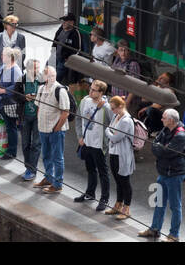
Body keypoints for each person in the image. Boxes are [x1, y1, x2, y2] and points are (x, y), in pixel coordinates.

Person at [140, 109, 185, 240]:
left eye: (163, 118)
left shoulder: (180, 136)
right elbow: (154, 146)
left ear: (171, 120)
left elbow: (166, 152)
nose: (161, 120)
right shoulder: (166, 129)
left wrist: (160, 148)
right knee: (159, 202)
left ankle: (174, 235)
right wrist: (161, 148)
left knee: (175, 205)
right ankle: (155, 228)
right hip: (163, 172)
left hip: (174, 174)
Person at [74, 79, 113, 211]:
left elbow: (113, 123)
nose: (90, 91)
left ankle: (104, 198)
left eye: (93, 90)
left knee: (103, 171)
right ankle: (90, 192)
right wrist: (80, 136)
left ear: (101, 92)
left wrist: (107, 141)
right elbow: (78, 118)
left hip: (99, 144)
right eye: (90, 89)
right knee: (90, 168)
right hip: (86, 141)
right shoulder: (85, 101)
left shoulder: (107, 107)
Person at [33, 65, 72, 194]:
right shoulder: (41, 88)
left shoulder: (60, 90)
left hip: (55, 130)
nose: (51, 78)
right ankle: (49, 178)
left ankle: (58, 183)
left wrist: (57, 128)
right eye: (49, 76)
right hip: (43, 128)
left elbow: (65, 112)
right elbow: (39, 106)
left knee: (57, 157)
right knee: (46, 155)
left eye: (53, 76)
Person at [0, 48, 24, 161]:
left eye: (3, 55)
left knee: (11, 127)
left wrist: (2, 91)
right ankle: (6, 147)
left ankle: (11, 151)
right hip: (2, 102)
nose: (1, 57)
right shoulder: (4, 67)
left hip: (9, 103)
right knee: (6, 126)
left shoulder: (16, 70)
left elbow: (17, 86)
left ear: (10, 58)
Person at [104, 96, 136, 220]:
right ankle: (118, 204)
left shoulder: (126, 120)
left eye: (113, 108)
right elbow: (114, 134)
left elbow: (115, 138)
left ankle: (126, 208)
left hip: (123, 154)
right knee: (118, 180)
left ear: (121, 106)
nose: (112, 110)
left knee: (124, 181)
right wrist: (111, 133)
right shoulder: (115, 116)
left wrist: (108, 132)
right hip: (114, 152)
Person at [50, 14, 84, 88]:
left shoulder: (76, 33)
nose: (63, 23)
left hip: (64, 60)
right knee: (47, 73)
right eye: (63, 21)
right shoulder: (60, 30)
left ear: (72, 23)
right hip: (55, 56)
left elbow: (79, 49)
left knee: (56, 77)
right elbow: (54, 42)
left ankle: (53, 90)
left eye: (66, 21)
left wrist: (70, 58)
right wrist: (52, 52)